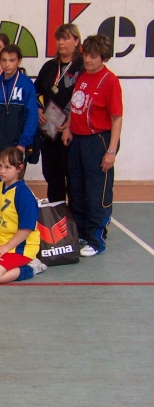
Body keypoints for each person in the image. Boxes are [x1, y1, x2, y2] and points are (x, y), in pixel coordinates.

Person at [62, 34, 123, 257]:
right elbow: (75, 105)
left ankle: (96, 239)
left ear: (103, 57)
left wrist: (111, 151)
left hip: (98, 141)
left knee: (97, 191)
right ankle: (80, 232)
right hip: (77, 140)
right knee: (77, 189)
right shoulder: (83, 76)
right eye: (86, 55)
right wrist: (68, 127)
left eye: (94, 56)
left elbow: (116, 117)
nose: (88, 60)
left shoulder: (110, 81)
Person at [0, 147, 46, 283]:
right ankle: (0, 263)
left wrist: (7, 246)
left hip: (19, 246)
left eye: (7, 167)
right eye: (0, 166)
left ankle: (31, 267)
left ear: (19, 168)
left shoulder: (24, 194)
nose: (2, 171)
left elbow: (26, 229)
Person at [34, 23, 84, 203]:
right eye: (59, 39)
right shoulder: (49, 66)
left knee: (73, 179)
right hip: (50, 132)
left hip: (72, 132)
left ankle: (75, 217)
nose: (61, 43)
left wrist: (70, 122)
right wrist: (38, 108)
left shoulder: (82, 66)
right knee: (53, 177)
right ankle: (56, 215)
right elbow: (35, 91)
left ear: (76, 41)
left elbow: (84, 97)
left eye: (66, 38)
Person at [0, 44, 39, 154]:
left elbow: (32, 117)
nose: (7, 64)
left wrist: (23, 143)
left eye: (12, 60)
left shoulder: (27, 84)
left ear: (19, 61)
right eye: (4, 60)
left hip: (18, 145)